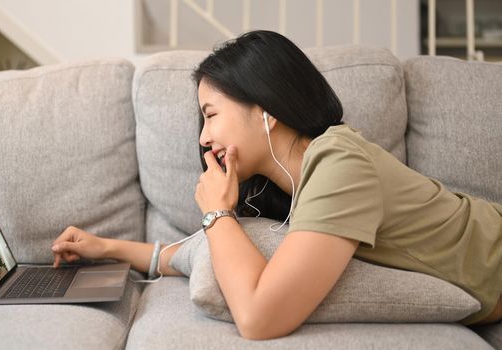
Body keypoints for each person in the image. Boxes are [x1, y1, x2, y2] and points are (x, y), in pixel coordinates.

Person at [50, 30, 502, 339]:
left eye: (210, 115)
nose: (203, 137)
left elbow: (260, 318)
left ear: (266, 108)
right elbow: (187, 253)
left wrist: (218, 214)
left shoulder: (339, 162)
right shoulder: (289, 185)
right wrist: (105, 248)